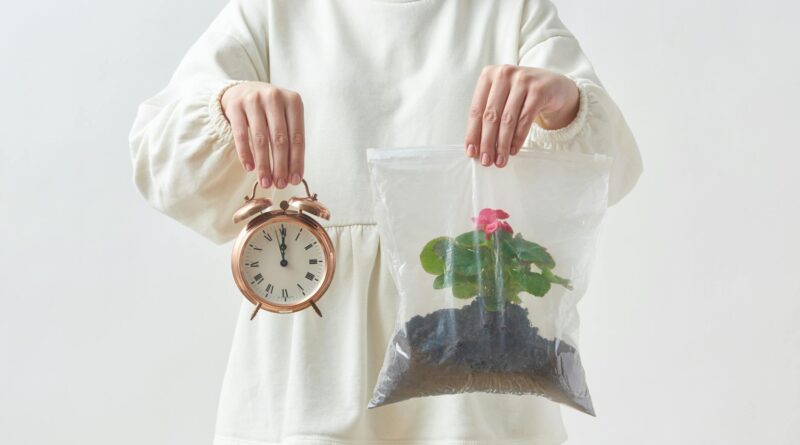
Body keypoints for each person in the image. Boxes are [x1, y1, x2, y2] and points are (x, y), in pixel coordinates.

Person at [128, 0, 643, 444]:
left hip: (475, 388)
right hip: (309, 374)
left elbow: (609, 172)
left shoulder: (510, 11)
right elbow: (160, 161)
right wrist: (225, 106)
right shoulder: (274, 11)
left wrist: (564, 105)